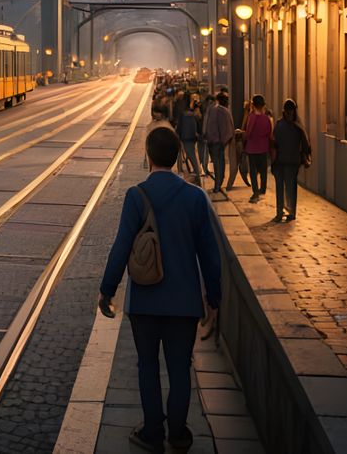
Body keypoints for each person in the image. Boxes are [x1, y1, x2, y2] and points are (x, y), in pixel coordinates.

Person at [100, 127, 222, 454]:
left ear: (148, 156)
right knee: (181, 368)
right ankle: (179, 434)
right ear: (179, 154)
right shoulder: (196, 198)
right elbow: (210, 253)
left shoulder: (136, 196)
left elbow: (122, 246)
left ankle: (153, 432)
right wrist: (214, 297)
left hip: (145, 300)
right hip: (184, 303)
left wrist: (107, 289)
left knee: (148, 366)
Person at [271, 100, 310, 223]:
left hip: (281, 162)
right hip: (291, 162)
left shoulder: (279, 125)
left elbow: (273, 143)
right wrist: (306, 157)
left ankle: (279, 213)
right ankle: (291, 212)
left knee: (280, 188)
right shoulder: (298, 126)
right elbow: (306, 145)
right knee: (291, 188)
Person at [240, 95, 274, 204]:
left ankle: (255, 191)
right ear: (263, 105)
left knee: (253, 172)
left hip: (252, 148)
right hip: (263, 148)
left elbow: (248, 132)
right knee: (263, 170)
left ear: (253, 105)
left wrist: (242, 135)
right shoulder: (267, 119)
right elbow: (270, 134)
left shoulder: (251, 117)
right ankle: (262, 188)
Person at [202, 92, 233, 196]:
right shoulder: (225, 111)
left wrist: (207, 137)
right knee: (221, 161)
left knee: (217, 163)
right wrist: (225, 140)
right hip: (220, 141)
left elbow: (208, 127)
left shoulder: (213, 110)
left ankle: (217, 185)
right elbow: (229, 127)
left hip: (214, 141)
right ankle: (219, 182)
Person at [176, 97, 201, 181]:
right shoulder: (192, 114)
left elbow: (179, 127)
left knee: (191, 155)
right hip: (192, 137)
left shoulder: (183, 115)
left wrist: (178, 134)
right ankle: (196, 171)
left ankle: (197, 173)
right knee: (192, 154)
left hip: (185, 137)